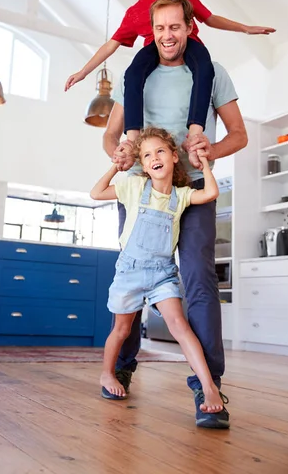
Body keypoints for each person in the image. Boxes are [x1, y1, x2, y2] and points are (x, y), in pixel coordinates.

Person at [102, 0, 248, 429]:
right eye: (160, 28)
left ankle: (209, 383)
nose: (167, 36)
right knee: (133, 273)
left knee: (200, 280)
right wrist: (120, 155)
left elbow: (238, 134)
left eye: (175, 27)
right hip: (145, 195)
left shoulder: (212, 73)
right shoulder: (138, 77)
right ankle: (123, 364)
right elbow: (111, 137)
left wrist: (210, 148)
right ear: (152, 31)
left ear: (189, 28)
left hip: (195, 191)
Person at [65, 0, 274, 168]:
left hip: (190, 45)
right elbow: (111, 45)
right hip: (152, 50)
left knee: (205, 70)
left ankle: (194, 132)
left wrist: (244, 28)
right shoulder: (134, 13)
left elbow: (209, 18)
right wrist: (83, 72)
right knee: (133, 73)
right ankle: (133, 138)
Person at [91, 127, 227, 416]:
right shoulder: (135, 187)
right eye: (147, 154)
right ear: (142, 163)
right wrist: (117, 165)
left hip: (162, 274)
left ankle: (209, 385)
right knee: (122, 329)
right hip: (130, 272)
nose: (154, 157)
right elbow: (96, 192)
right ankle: (107, 373)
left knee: (180, 326)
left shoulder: (182, 195)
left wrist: (204, 166)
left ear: (175, 157)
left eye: (161, 151)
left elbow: (212, 192)